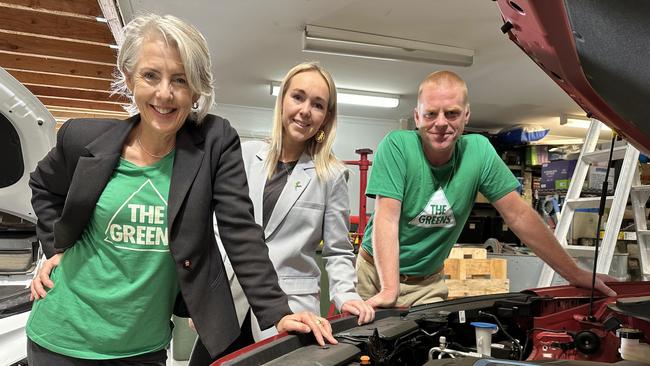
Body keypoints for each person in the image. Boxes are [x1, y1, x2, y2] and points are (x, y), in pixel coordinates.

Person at [26, 14, 336, 365]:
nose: (164, 93)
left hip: (142, 348)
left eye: (180, 79)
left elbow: (239, 229)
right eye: (150, 76)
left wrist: (277, 312)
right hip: (60, 338)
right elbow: (42, 186)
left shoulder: (215, 144)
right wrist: (56, 248)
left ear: (197, 89)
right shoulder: (83, 139)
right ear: (129, 79)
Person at [356, 70, 618, 308]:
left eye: (452, 113)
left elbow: (519, 216)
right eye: (430, 114)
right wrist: (390, 289)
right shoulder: (398, 146)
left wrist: (576, 274)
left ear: (466, 115)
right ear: (417, 116)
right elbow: (387, 218)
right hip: (376, 274)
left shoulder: (478, 152)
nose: (441, 123)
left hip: (427, 282)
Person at [189, 62, 375, 365]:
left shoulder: (331, 175)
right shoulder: (245, 155)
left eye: (318, 105)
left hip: (291, 308)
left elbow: (338, 250)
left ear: (326, 117)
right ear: (282, 100)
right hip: (229, 303)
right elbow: (216, 232)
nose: (305, 110)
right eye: (298, 97)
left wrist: (347, 296)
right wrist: (204, 300)